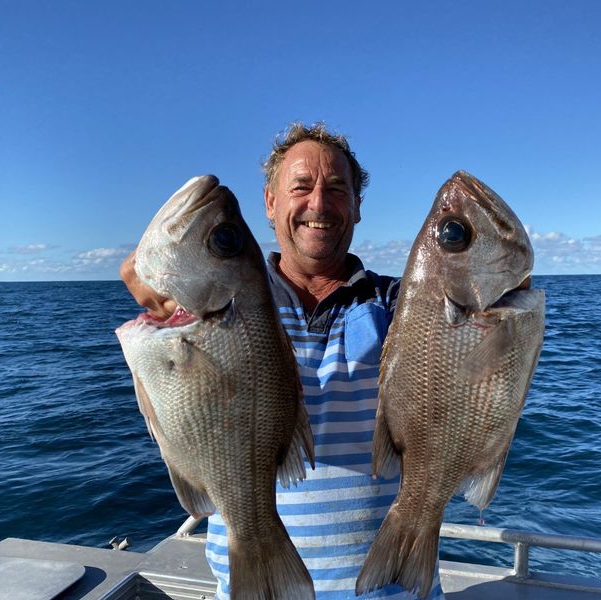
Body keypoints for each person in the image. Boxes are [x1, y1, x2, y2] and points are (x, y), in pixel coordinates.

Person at [120, 122, 445, 599]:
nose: (318, 203)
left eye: (337, 189)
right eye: (301, 187)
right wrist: (165, 301)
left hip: (391, 588)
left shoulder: (399, 303)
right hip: (254, 581)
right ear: (270, 204)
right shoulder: (233, 298)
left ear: (357, 207)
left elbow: (463, 362)